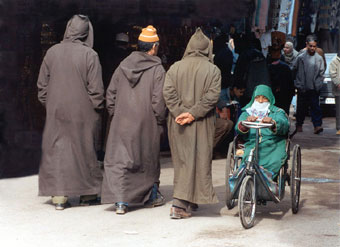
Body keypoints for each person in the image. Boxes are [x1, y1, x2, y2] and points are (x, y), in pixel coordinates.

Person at [37, 15, 104, 210]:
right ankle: (88, 194)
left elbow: (42, 86)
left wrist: (50, 104)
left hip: (56, 110)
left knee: (57, 151)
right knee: (84, 150)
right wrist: (95, 109)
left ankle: (59, 196)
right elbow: (97, 91)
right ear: (86, 33)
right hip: (83, 113)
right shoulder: (90, 55)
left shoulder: (52, 53)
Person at [101, 25, 166, 214]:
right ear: (154, 47)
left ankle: (121, 202)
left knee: (121, 161)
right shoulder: (157, 69)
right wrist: (159, 121)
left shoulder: (123, 66)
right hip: (147, 122)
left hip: (122, 121)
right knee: (147, 159)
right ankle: (150, 196)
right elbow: (158, 101)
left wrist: (116, 114)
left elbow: (110, 94)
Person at [163, 28, 221, 219]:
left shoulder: (174, 67)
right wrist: (193, 114)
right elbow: (212, 96)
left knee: (182, 160)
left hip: (177, 121)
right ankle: (179, 205)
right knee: (200, 158)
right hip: (201, 122)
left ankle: (191, 199)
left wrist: (181, 113)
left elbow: (168, 92)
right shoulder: (213, 70)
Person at [235, 85, 289, 181]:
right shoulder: (247, 112)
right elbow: (238, 127)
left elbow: (284, 123)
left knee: (274, 160)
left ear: (270, 98)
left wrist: (272, 122)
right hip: (251, 144)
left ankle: (268, 179)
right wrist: (245, 123)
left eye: (264, 98)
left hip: (272, 144)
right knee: (248, 159)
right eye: (257, 97)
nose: (260, 101)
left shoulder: (277, 112)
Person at [294, 35, 325, 134]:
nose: (312, 48)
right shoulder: (301, 58)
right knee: (301, 108)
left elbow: (321, 73)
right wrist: (297, 83)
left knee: (315, 107)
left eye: (314, 46)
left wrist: (318, 84)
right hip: (302, 87)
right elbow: (294, 69)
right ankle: (299, 124)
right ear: (306, 45)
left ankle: (317, 126)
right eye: (310, 46)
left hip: (314, 87)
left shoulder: (319, 58)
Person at [213, 84, 246, 157]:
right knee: (225, 124)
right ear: (235, 89)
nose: (241, 94)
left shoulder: (235, 96)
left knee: (230, 124)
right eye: (240, 92)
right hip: (211, 117)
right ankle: (210, 149)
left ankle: (214, 148)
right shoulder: (221, 93)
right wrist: (224, 106)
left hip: (220, 118)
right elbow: (216, 100)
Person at [329, 53, 340, 135]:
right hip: (338, 90)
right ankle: (339, 128)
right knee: (339, 110)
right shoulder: (334, 61)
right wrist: (338, 83)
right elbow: (333, 74)